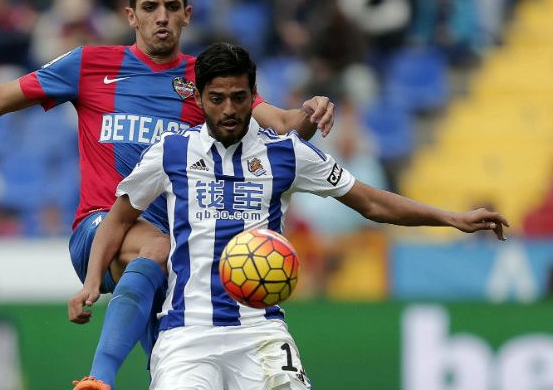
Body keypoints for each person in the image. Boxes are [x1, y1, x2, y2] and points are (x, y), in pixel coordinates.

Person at [0, 0, 336, 389]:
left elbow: (282, 129)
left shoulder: (208, 83)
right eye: (149, 7)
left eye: (170, 8)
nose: (161, 18)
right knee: (153, 249)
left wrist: (311, 111)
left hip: (181, 253)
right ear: (130, 15)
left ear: (188, 13)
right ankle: (97, 378)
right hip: (102, 227)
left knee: (171, 358)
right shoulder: (89, 65)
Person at [69, 42, 508, 390]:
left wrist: (451, 218)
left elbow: (370, 201)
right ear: (199, 98)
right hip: (186, 334)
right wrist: (92, 283)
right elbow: (118, 219)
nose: (228, 109)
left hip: (260, 332)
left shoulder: (288, 155)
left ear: (252, 95)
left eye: (239, 97)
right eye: (217, 98)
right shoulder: (171, 152)